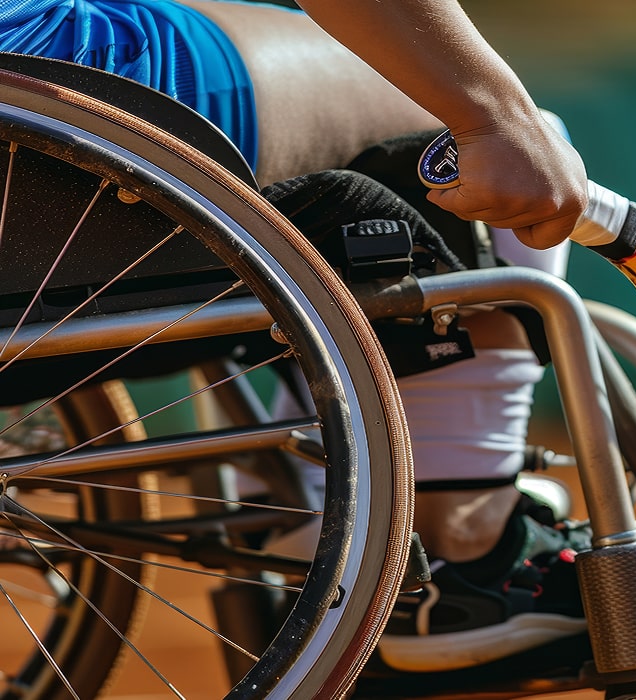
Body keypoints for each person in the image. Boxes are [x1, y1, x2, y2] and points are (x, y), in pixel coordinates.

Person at [1, 0, 596, 673]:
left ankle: (325, 515)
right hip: (43, 102)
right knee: (459, 106)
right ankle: (460, 539)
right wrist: (499, 116)